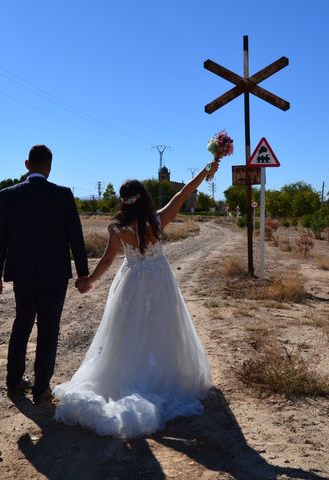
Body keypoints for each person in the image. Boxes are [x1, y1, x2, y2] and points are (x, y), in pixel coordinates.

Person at [53, 158, 220, 438]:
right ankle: (160, 377)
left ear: (123, 201)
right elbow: (184, 193)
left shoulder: (117, 228)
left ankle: (126, 376)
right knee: (162, 328)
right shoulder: (156, 220)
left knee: (126, 330)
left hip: (130, 281)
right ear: (143, 198)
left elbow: (107, 260)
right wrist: (207, 170)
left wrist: (89, 281)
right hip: (158, 279)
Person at [0, 144, 91, 403]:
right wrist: (83, 273)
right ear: (50, 167)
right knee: (49, 327)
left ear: (26, 165)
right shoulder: (63, 195)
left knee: (22, 323)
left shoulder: (7, 195)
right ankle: (41, 387)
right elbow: (75, 238)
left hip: (22, 273)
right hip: (55, 274)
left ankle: (14, 381)